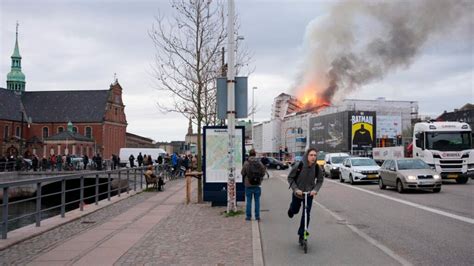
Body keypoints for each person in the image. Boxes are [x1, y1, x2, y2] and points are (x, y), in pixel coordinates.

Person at [287, 148, 324, 245]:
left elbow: (320, 180)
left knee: (306, 214)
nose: (313, 157)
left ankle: (302, 235)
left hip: (309, 194)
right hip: (298, 194)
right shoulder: (299, 165)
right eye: (311, 155)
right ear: (307, 156)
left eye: (315, 155)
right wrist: (296, 189)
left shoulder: (317, 168)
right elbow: (290, 178)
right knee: (295, 210)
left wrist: (315, 190)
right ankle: (291, 210)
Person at [241, 149, 266, 221]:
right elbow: (263, 172)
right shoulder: (259, 162)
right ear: (255, 154)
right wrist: (260, 178)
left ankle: (248, 217)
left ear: (249, 154)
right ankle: (257, 216)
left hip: (248, 184)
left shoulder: (246, 163)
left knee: (248, 201)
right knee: (257, 201)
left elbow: (242, 173)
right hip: (257, 185)